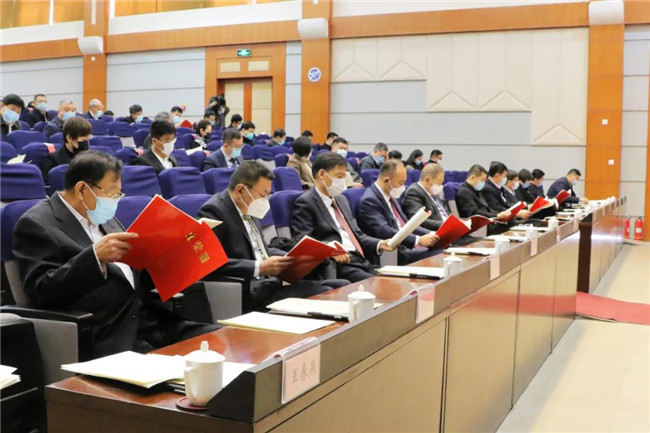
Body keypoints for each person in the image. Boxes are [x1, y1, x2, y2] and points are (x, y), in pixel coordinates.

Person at [13, 151, 217, 357]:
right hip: (108, 334)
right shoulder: (36, 224)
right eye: (112, 193)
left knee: (223, 340)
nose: (115, 201)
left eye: (119, 194)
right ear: (82, 189)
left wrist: (169, 257)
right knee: (192, 368)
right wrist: (94, 257)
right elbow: (42, 291)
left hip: (151, 324)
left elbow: (133, 271)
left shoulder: (104, 218)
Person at [197, 161, 342, 312]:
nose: (265, 201)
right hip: (248, 289)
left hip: (270, 283)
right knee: (324, 293)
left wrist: (291, 257)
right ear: (241, 189)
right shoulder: (214, 211)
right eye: (262, 195)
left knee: (340, 285)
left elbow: (259, 249)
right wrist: (259, 267)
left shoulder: (248, 206)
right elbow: (212, 262)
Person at [290, 153, 395, 282]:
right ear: (322, 174)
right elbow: (302, 242)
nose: (342, 182)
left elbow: (356, 234)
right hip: (339, 265)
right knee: (380, 284)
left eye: (344, 176)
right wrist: (330, 248)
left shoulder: (342, 199)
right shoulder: (306, 203)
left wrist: (379, 243)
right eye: (339, 176)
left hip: (362, 259)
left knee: (394, 280)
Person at [357, 160, 441, 265]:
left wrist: (431, 234)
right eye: (401, 182)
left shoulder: (391, 196)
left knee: (442, 247)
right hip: (394, 252)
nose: (403, 187)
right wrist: (418, 240)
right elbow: (384, 231)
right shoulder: (369, 201)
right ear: (386, 180)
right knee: (439, 253)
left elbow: (407, 225)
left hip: (406, 245)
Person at [455, 164, 512, 234]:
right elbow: (474, 214)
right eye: (482, 179)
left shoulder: (475, 190)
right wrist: (496, 216)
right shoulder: (464, 192)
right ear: (473, 178)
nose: (484, 183)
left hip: (486, 222)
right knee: (509, 226)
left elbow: (486, 209)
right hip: (477, 227)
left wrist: (498, 215)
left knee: (510, 221)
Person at [41, 117, 92, 183]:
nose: (86, 143)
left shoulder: (90, 159)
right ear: (69, 138)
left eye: (88, 139)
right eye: (83, 139)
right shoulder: (52, 160)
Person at [402, 163, 451, 231]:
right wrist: (447, 224)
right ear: (427, 179)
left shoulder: (433, 192)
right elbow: (418, 220)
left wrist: (458, 222)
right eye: (439, 182)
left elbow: (445, 213)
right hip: (436, 231)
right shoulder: (414, 192)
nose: (441, 185)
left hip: (449, 228)